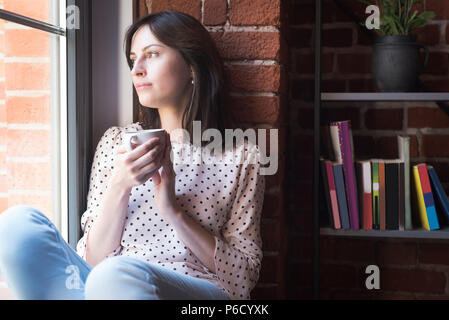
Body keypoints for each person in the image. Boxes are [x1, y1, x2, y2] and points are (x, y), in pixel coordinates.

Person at [0, 10, 265, 300]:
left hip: (192, 289)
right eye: (132, 58)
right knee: (16, 225)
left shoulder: (239, 156)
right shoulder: (116, 143)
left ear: (192, 65)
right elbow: (91, 261)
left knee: (117, 274)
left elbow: (243, 280)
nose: (136, 69)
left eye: (151, 54)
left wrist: (173, 211)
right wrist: (120, 185)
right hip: (105, 285)